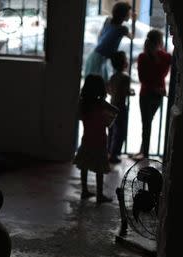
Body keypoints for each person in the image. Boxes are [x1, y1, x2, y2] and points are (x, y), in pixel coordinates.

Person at [74, 75, 118, 204]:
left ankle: (84, 191)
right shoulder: (101, 105)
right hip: (100, 140)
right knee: (100, 168)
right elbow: (115, 111)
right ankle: (99, 195)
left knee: (84, 165)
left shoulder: (83, 103)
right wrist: (105, 103)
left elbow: (79, 116)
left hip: (86, 138)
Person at [132, 29, 171, 160]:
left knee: (146, 123)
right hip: (158, 93)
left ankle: (144, 152)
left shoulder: (143, 57)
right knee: (148, 123)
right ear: (160, 41)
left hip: (146, 94)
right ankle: (144, 151)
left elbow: (143, 79)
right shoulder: (165, 57)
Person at [84, 2, 134, 81]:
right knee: (99, 86)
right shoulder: (122, 29)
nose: (130, 14)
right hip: (99, 59)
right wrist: (134, 21)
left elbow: (100, 36)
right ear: (123, 15)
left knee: (95, 86)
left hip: (94, 55)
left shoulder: (108, 21)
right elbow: (132, 37)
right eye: (128, 13)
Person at [107, 51, 134, 164]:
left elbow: (109, 90)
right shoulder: (125, 77)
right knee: (121, 132)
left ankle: (109, 151)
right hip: (121, 107)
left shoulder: (112, 76)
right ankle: (114, 154)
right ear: (124, 64)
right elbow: (125, 92)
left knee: (112, 130)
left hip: (111, 105)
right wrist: (131, 92)